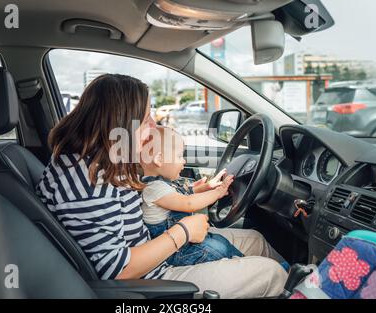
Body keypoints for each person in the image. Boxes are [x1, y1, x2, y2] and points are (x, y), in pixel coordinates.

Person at [36, 73, 288, 298]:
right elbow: (119, 271)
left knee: (256, 240)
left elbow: (150, 193)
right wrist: (183, 232)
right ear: (121, 123)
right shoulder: (89, 182)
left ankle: (300, 283)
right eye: (147, 120)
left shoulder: (105, 161)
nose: (154, 127)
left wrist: (191, 191)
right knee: (270, 274)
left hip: (155, 252)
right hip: (150, 280)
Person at [140, 126, 244, 266]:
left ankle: (244, 261)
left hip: (183, 241)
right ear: (159, 160)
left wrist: (206, 187)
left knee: (219, 242)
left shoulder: (161, 183)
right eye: (179, 156)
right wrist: (217, 193)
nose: (183, 161)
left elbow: (180, 196)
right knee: (217, 249)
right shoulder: (153, 188)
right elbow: (187, 203)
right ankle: (247, 265)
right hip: (174, 251)